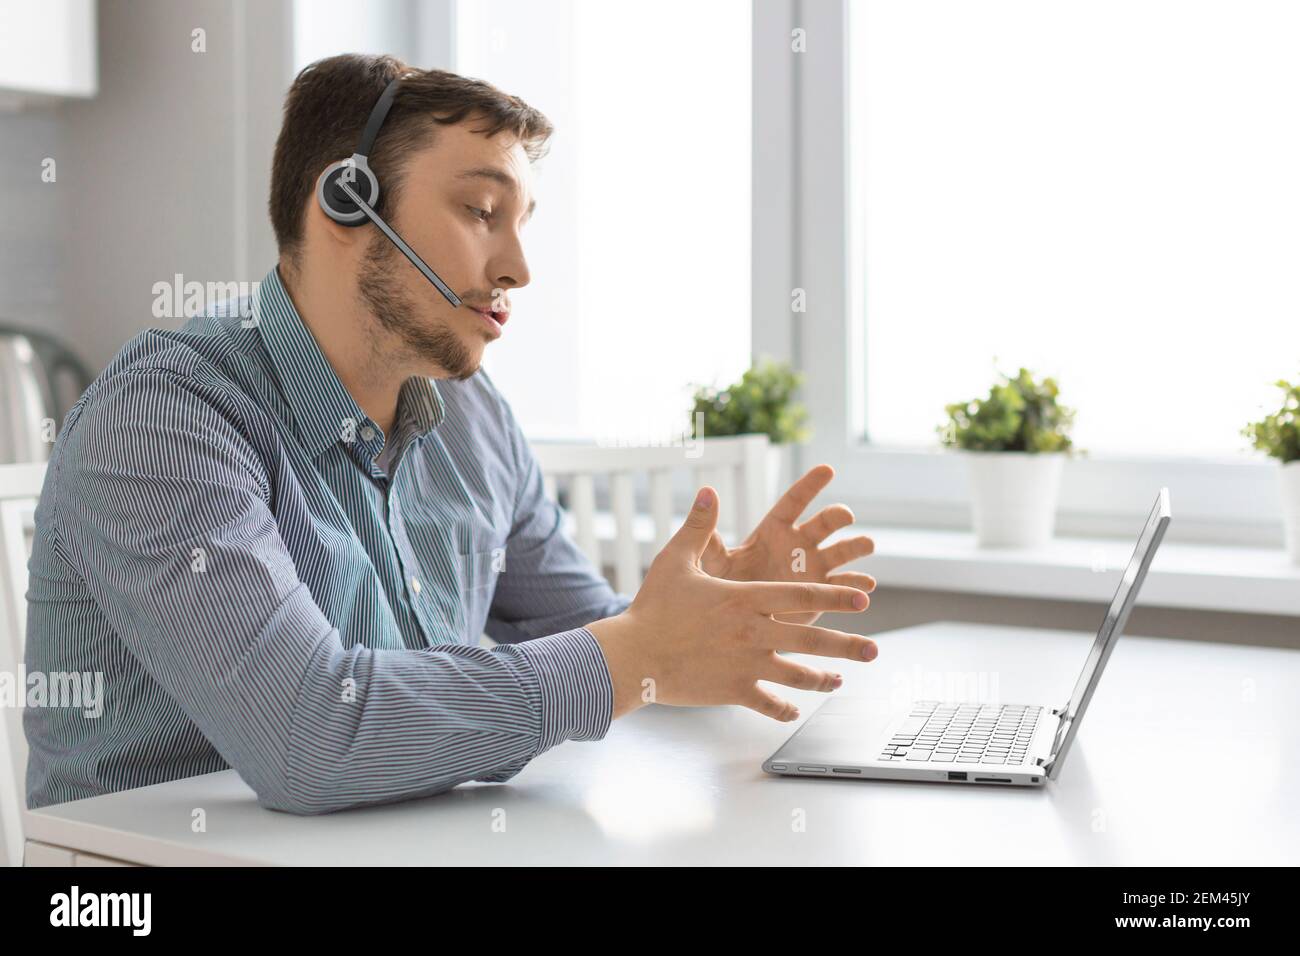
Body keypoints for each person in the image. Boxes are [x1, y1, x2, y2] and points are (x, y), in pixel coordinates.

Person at [24, 54, 877, 814]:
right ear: (345, 202)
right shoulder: (163, 420)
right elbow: (308, 736)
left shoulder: (472, 415)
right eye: (480, 210)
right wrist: (632, 651)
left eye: (523, 222)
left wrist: (704, 617)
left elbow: (584, 634)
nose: (518, 269)